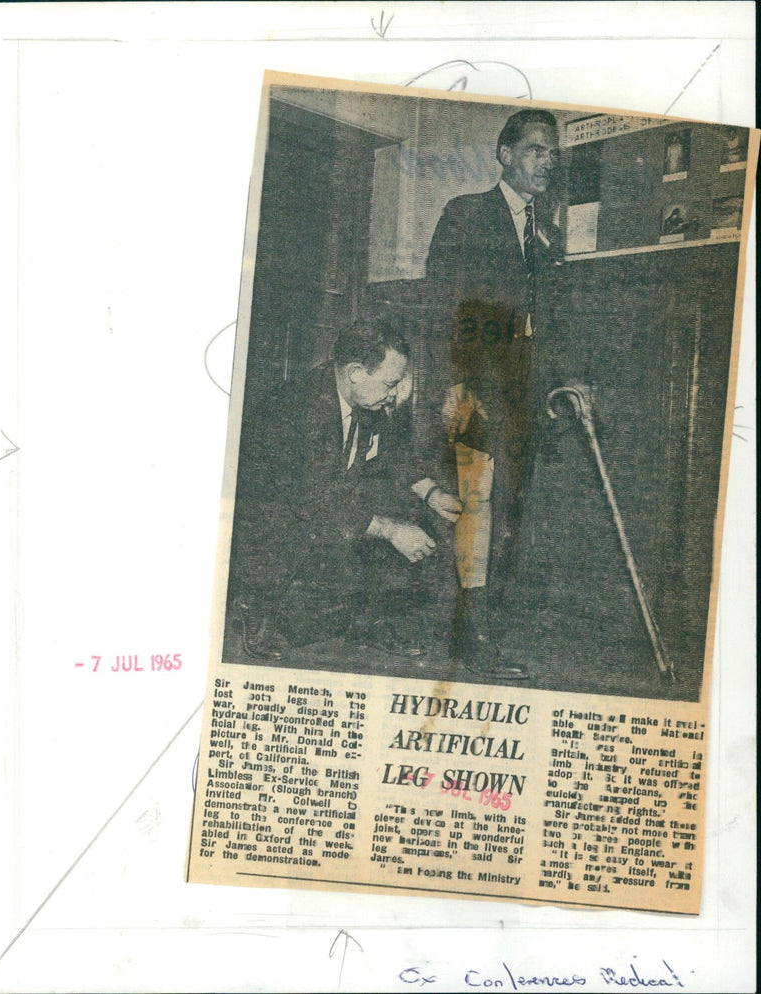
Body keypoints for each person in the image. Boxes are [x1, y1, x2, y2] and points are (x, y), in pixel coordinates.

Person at [227, 317, 461, 660]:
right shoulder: (294, 408)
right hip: (275, 524)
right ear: (355, 372)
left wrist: (431, 493)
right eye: (391, 383)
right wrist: (392, 530)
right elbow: (314, 499)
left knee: (397, 502)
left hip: (327, 507)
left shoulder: (367, 399)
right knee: (375, 529)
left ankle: (367, 622)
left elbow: (394, 457)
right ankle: (256, 603)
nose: (395, 393)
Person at [424, 108, 564, 679]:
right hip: (475, 389)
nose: (546, 162)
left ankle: (489, 632)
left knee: (510, 512)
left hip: (524, 399)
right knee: (472, 510)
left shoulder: (545, 234)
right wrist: (454, 385)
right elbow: (441, 306)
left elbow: (545, 324)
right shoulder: (466, 215)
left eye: (552, 154)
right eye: (535, 150)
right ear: (505, 155)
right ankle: (465, 634)